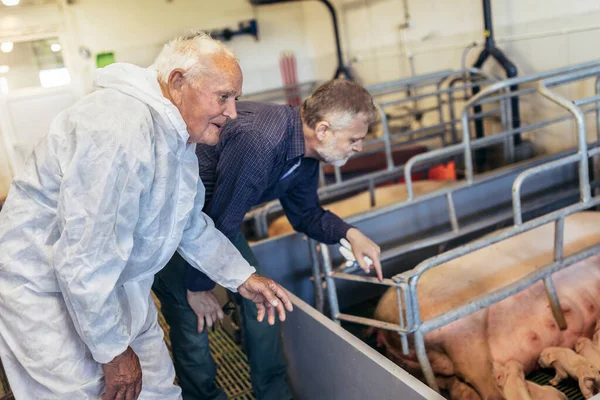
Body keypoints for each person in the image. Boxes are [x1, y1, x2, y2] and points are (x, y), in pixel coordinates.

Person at [0, 31, 292, 400]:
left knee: (155, 390)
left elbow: (187, 223)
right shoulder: (119, 128)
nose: (233, 113)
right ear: (177, 82)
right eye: (223, 97)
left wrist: (242, 278)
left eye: (235, 99)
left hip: (120, 285)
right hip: (48, 294)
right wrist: (112, 352)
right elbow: (84, 259)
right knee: (84, 393)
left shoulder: (175, 139)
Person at [153, 79, 382, 400]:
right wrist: (199, 286)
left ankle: (273, 393)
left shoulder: (305, 157)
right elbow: (226, 215)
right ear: (324, 130)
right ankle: (204, 396)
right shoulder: (262, 140)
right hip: (173, 225)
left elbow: (305, 215)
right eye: (354, 139)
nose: (359, 147)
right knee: (192, 322)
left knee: (262, 300)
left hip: (216, 223)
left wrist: (350, 233)